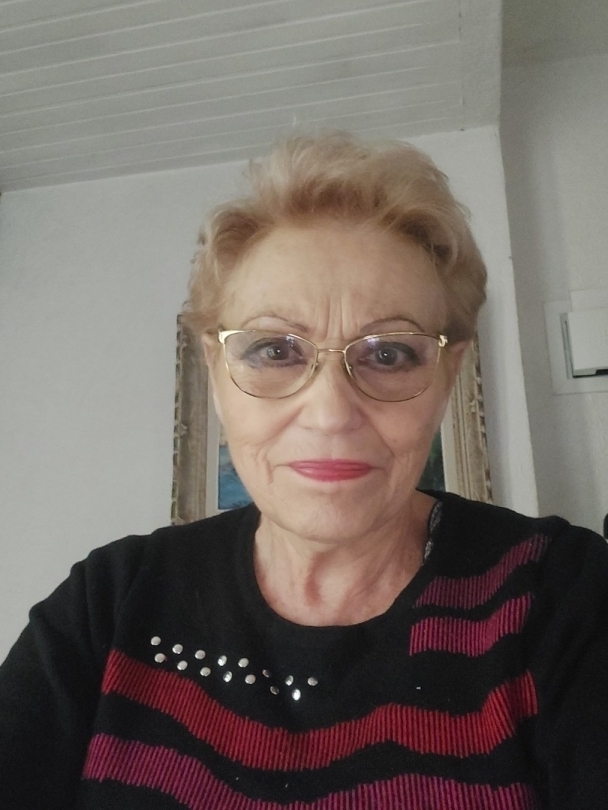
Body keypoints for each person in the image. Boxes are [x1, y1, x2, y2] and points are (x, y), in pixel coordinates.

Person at [1, 133, 607, 810]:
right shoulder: (110, 605)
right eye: (274, 350)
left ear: (448, 374)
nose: (330, 414)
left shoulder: (561, 597)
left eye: (388, 354)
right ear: (215, 369)